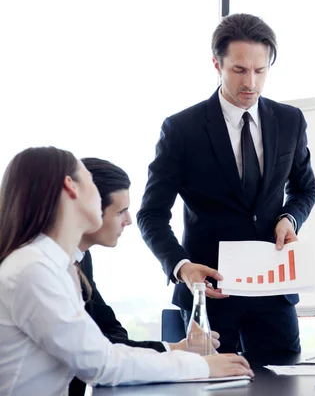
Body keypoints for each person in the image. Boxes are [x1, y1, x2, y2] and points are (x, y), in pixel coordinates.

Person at [0, 147, 253, 396]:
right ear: (71, 186)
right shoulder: (34, 270)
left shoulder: (52, 264)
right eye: (89, 179)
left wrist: (179, 354)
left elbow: (103, 348)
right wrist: (201, 366)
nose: (128, 218)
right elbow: (101, 363)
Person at [137, 13, 315, 354]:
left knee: (283, 387)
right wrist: (181, 267)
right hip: (209, 294)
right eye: (239, 70)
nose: (251, 82)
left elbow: (305, 189)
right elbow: (151, 214)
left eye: (260, 71)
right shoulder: (181, 129)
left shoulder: (290, 121)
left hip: (273, 293)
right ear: (216, 64)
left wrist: (289, 218)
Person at [68, 157, 219, 396]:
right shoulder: (45, 269)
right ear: (88, 210)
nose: (129, 220)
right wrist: (183, 358)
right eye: (121, 211)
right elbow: (95, 353)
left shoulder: (81, 258)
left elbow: (107, 327)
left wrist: (173, 349)